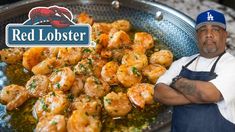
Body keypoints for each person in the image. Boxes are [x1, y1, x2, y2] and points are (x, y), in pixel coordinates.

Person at [154, 9, 235, 132]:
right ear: (197, 36)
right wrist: (200, 97)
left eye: (215, 29)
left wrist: (176, 81)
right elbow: (159, 93)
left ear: (225, 35)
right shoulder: (181, 62)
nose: (209, 34)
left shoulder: (231, 64)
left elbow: (208, 94)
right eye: (203, 30)